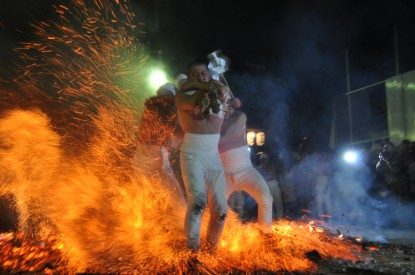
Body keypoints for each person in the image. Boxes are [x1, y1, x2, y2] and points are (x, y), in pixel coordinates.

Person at [175, 60, 230, 251]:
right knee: (198, 201)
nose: (201, 77)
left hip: (212, 157)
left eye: (204, 73)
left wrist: (195, 83)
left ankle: (211, 250)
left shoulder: (218, 93)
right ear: (188, 77)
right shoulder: (182, 96)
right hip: (192, 154)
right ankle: (193, 251)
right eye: (196, 74)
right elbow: (193, 103)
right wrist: (197, 86)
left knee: (221, 209)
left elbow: (223, 91)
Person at [218, 103, 273, 231]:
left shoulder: (240, 117)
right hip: (224, 175)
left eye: (228, 105)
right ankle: (220, 236)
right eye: (222, 105)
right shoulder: (213, 121)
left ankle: (265, 233)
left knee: (266, 198)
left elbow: (226, 136)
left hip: (246, 171)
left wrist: (209, 137)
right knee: (216, 207)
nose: (226, 109)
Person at [256, 152, 283, 219]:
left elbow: (275, 175)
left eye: (266, 159)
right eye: (264, 159)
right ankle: (272, 218)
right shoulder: (259, 169)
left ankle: (280, 217)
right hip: (266, 186)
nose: (265, 160)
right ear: (261, 160)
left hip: (274, 185)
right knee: (268, 203)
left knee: (278, 202)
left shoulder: (272, 167)